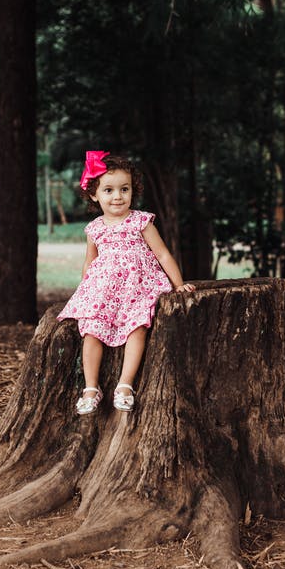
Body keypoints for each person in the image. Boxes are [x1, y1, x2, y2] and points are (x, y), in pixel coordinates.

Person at [57, 151, 195, 415]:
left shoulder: (141, 221)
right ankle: (91, 387)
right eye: (108, 190)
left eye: (124, 189)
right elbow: (90, 262)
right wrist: (86, 291)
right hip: (104, 291)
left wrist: (178, 284)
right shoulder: (94, 228)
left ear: (133, 191)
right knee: (92, 330)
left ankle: (125, 384)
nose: (118, 196)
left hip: (138, 288)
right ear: (94, 195)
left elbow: (162, 253)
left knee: (137, 327)